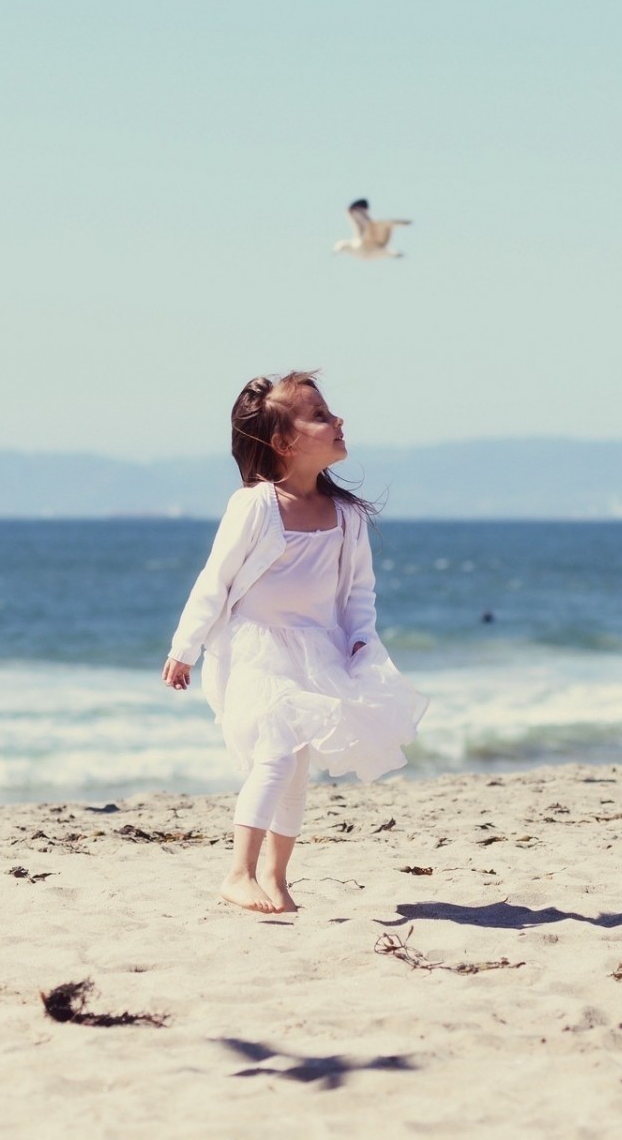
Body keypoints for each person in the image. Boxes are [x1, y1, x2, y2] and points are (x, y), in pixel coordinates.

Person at [163, 372, 427, 914]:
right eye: (321, 415)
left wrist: (360, 641)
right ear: (284, 443)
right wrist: (184, 647)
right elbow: (214, 579)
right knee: (276, 753)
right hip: (258, 650)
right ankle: (238, 873)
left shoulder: (347, 516)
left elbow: (358, 591)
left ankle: (277, 878)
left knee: (298, 770)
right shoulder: (256, 506)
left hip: (319, 652)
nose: (338, 421)